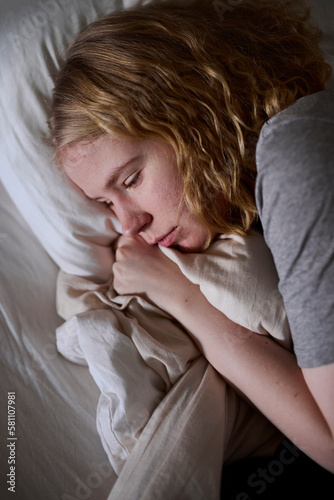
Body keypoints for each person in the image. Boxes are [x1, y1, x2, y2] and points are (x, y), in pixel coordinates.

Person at [49, 0, 334, 473]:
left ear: (193, 114)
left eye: (132, 179)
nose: (129, 224)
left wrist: (184, 300)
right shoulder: (263, 195)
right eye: (106, 204)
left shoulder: (294, 160)